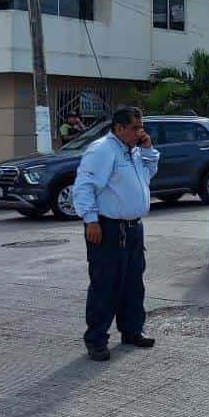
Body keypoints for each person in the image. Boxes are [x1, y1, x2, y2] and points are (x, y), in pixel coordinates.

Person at [72, 106, 160, 361]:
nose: (139, 132)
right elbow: (84, 187)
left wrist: (147, 149)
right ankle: (97, 339)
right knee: (105, 285)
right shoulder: (102, 150)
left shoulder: (131, 150)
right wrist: (91, 220)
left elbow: (148, 174)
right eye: (134, 128)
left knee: (133, 283)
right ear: (119, 128)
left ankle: (132, 329)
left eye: (140, 127)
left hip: (133, 229)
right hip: (108, 228)